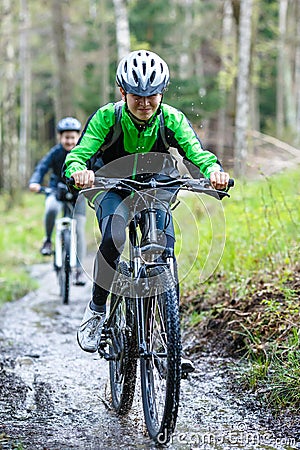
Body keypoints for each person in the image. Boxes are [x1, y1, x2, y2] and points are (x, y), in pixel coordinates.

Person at [63, 50, 230, 357]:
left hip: (157, 187)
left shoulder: (172, 119)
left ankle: (168, 336)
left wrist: (214, 173)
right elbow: (78, 154)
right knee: (114, 235)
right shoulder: (106, 118)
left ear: (161, 93)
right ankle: (97, 311)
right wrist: (78, 172)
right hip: (110, 185)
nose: (144, 104)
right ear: (123, 92)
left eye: (151, 96)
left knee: (164, 249)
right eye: (136, 96)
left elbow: (197, 154)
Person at [29, 117, 87, 286]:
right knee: (51, 208)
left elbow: (95, 167)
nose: (69, 141)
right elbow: (41, 168)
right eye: (66, 137)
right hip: (56, 190)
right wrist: (35, 182)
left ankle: (79, 271)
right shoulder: (55, 153)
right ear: (60, 138)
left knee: (80, 230)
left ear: (78, 138)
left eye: (72, 137)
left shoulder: (84, 152)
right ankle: (47, 240)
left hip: (78, 194)